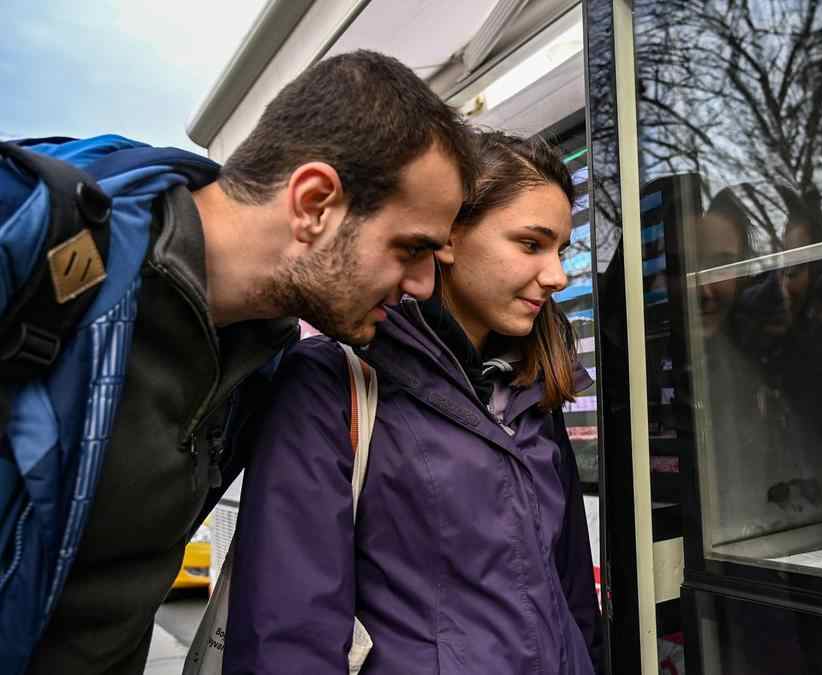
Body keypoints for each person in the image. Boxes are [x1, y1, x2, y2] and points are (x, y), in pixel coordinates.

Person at [3, 50, 474, 674]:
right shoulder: (44, 258)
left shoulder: (264, 359)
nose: (420, 284)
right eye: (410, 248)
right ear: (313, 203)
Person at [224, 132, 599, 674]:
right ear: (448, 236)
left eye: (561, 250)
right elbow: (287, 633)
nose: (557, 275)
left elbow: (571, 600)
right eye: (530, 244)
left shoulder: (534, 390)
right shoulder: (333, 383)